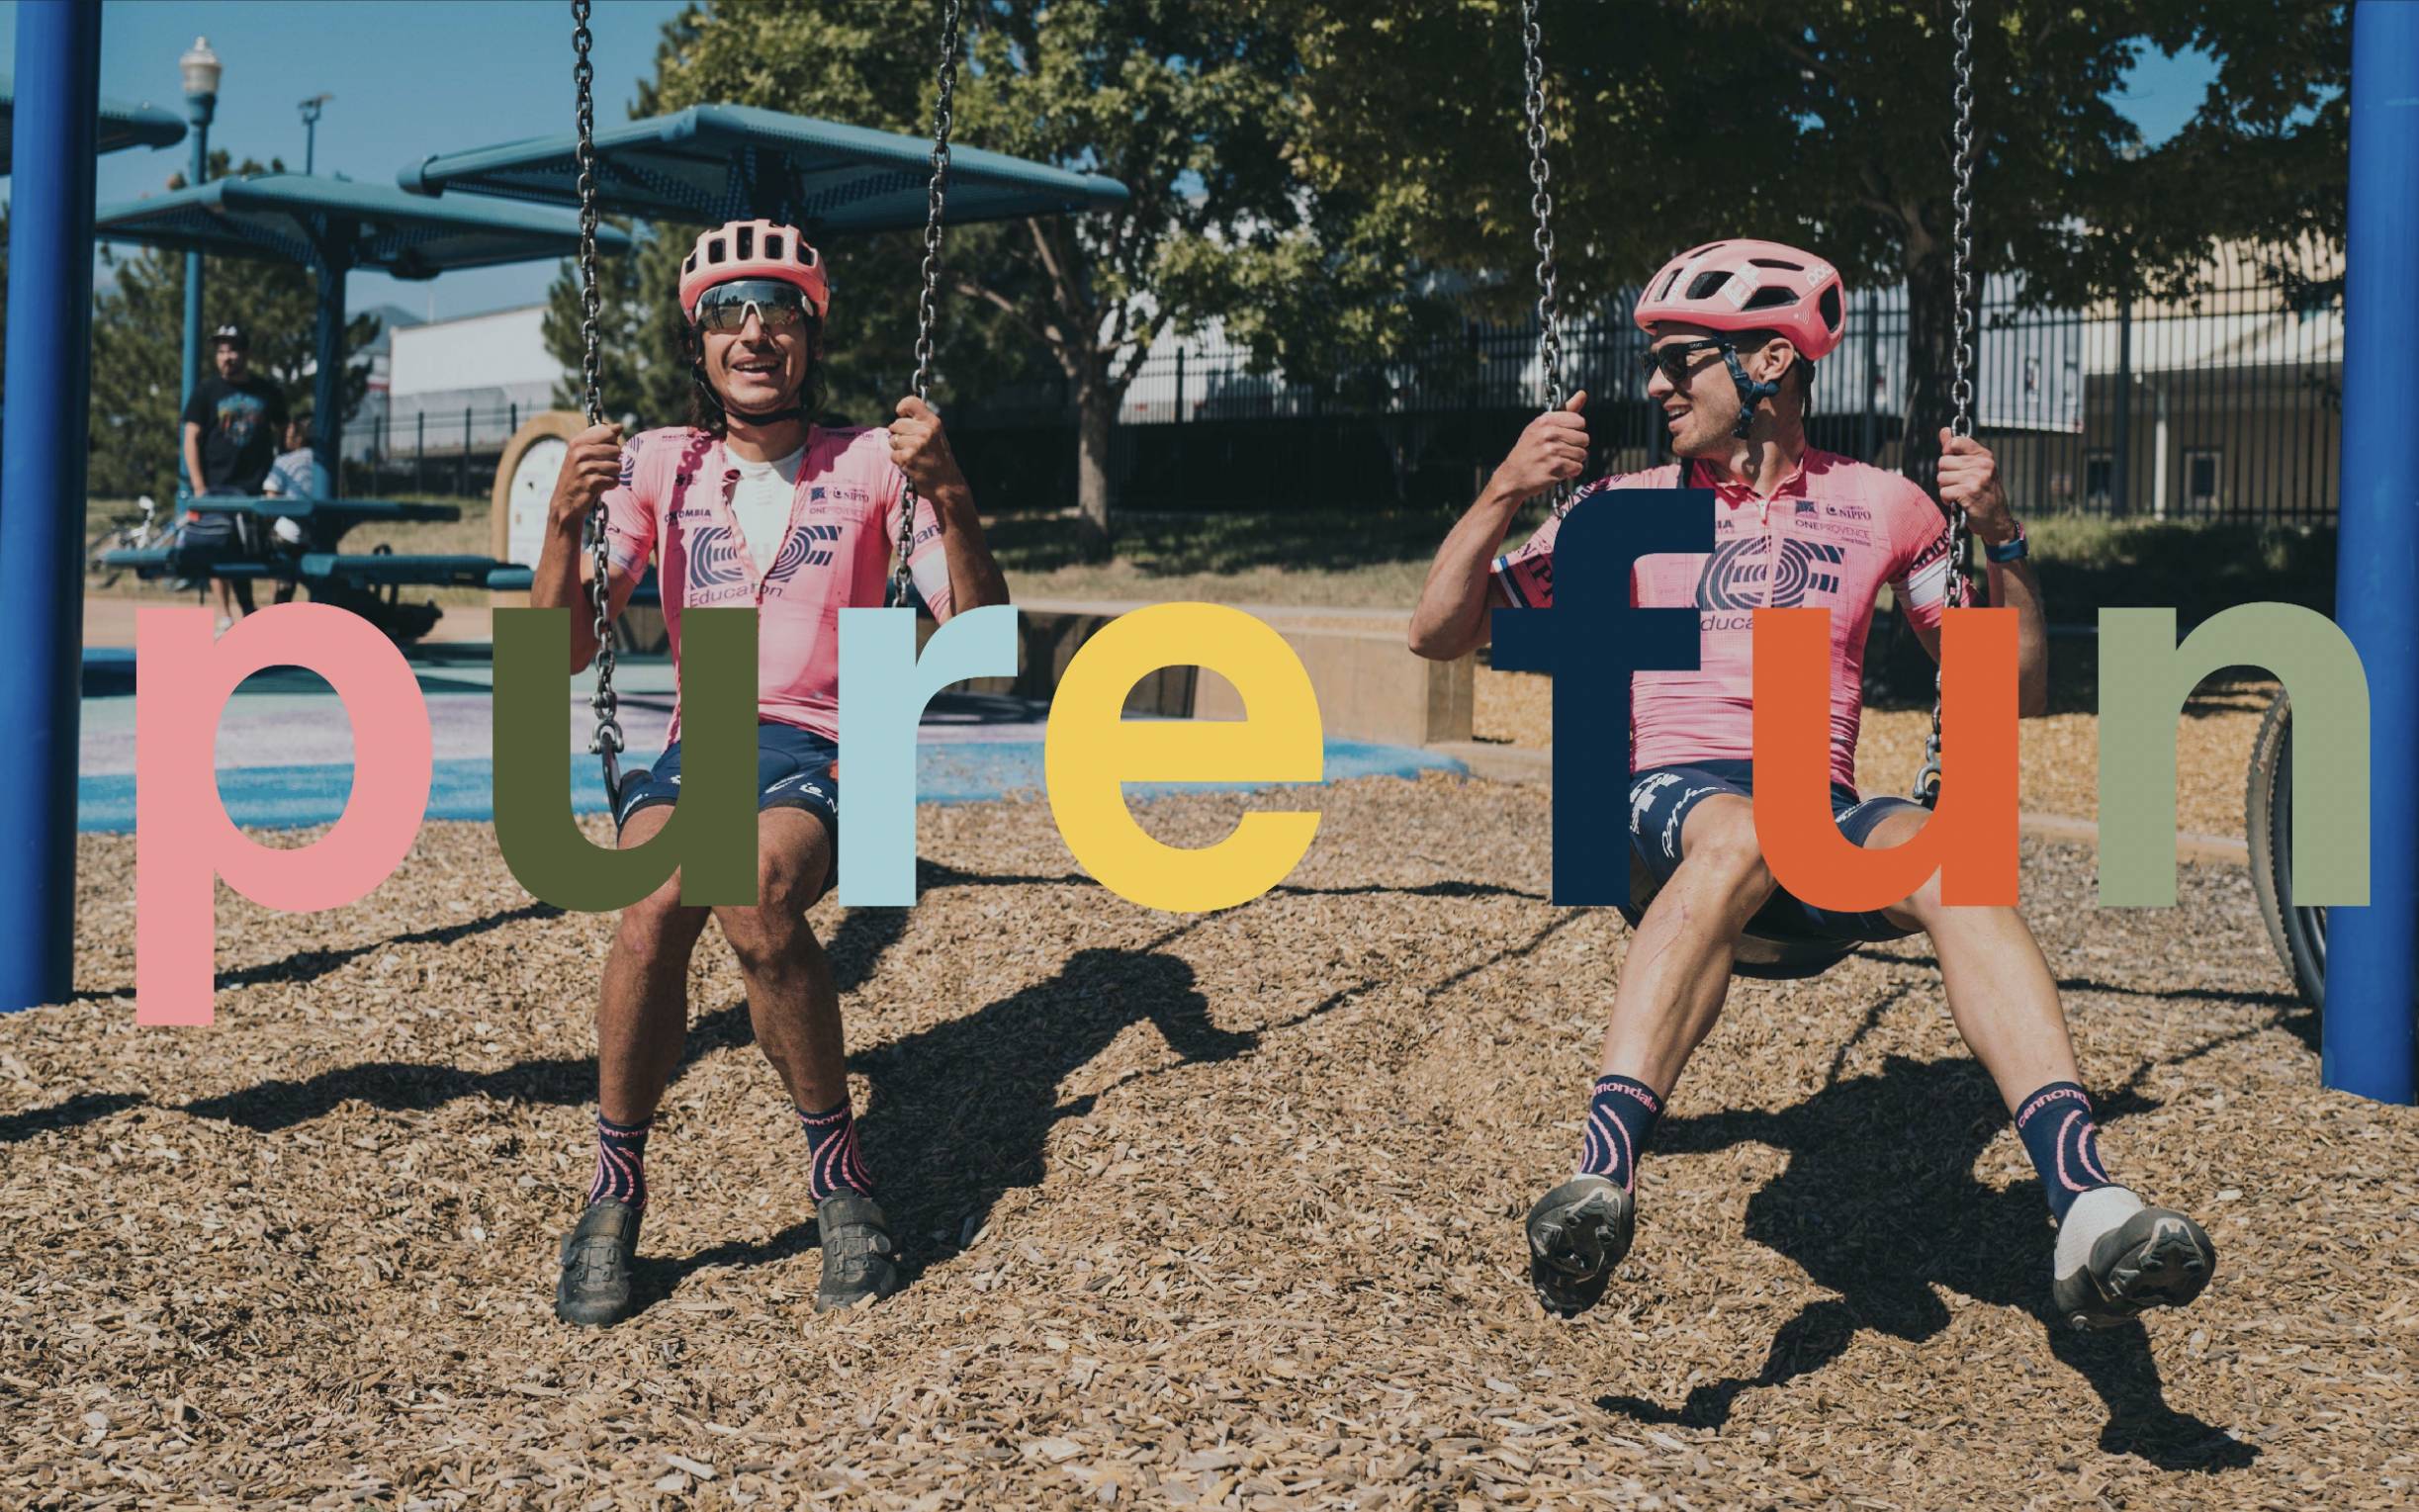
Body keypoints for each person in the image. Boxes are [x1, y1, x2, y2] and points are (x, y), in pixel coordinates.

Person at [1408, 239, 2215, 1330]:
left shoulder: (1882, 506)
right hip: (1672, 811)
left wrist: (2001, 533)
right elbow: (1437, 632)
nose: (1654, 384)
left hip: (1818, 821)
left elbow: (2007, 691)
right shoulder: (1619, 509)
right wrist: (1507, 485)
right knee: (1740, 829)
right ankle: (1603, 1175)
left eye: (1680, 359)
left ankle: (2083, 1199)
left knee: (1956, 853)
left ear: (1769, 368)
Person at [535, 219, 1011, 1328]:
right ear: (696, 340)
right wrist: (564, 523)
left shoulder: (873, 464)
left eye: (779, 311)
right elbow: (557, 651)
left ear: (812, 331)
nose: (754, 334)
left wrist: (955, 499)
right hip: (704, 740)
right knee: (648, 903)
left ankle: (838, 1177)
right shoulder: (661, 462)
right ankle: (613, 1190)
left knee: (751, 892)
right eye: (726, 314)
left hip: (836, 736)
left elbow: (981, 640)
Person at [179, 323, 287, 632]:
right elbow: (191, 437)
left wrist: (279, 479)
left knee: (258, 551)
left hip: (257, 487)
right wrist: (199, 485)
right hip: (216, 487)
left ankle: (258, 614)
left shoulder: (266, 391)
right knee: (218, 548)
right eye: (221, 351)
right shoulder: (206, 392)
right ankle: (225, 616)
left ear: (246, 353)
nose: (227, 357)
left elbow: (286, 431)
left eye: (233, 350)